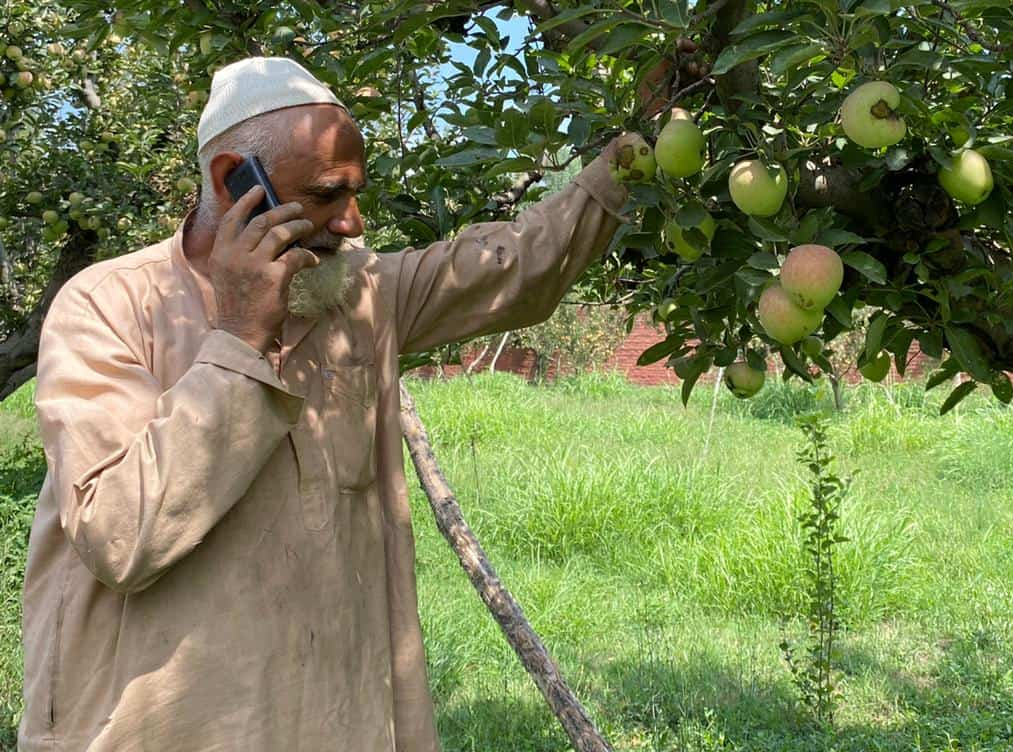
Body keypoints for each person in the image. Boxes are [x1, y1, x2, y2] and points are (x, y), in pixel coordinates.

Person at [19, 55, 640, 751]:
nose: (351, 224)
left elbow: (513, 267)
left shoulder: (358, 292)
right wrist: (238, 337)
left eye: (354, 194)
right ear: (233, 182)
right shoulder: (107, 306)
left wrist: (627, 159)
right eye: (324, 196)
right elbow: (120, 536)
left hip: (327, 715)